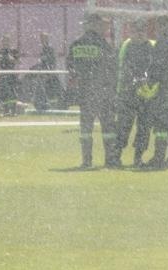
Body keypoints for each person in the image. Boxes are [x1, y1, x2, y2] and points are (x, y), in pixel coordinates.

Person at [65, 13, 116, 168]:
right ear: (95, 24)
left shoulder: (76, 44)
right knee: (107, 128)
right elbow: (112, 67)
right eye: (101, 25)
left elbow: (70, 68)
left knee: (86, 129)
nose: (103, 28)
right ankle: (109, 160)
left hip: (85, 93)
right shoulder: (103, 44)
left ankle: (87, 161)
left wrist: (81, 78)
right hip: (103, 93)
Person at [142, 15, 168, 169]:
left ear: (164, 26)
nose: (158, 30)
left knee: (160, 124)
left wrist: (149, 80)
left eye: (159, 26)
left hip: (163, 88)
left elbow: (157, 66)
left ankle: (158, 157)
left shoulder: (162, 43)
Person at [113, 22, 153, 167]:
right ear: (131, 32)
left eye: (142, 30)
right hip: (127, 93)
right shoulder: (125, 47)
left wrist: (145, 78)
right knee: (123, 126)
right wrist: (132, 79)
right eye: (136, 30)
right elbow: (120, 66)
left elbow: (153, 67)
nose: (139, 33)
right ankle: (116, 157)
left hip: (145, 94)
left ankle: (138, 158)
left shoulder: (150, 47)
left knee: (144, 127)